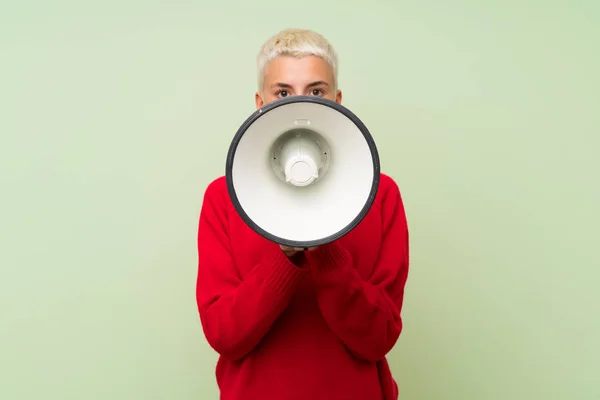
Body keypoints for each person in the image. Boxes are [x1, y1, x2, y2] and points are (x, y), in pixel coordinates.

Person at [196, 28, 410, 400]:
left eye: (316, 91)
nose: (299, 104)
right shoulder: (223, 198)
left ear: (338, 100)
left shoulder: (381, 195)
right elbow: (225, 336)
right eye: (282, 93)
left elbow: (378, 339)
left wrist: (324, 250)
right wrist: (285, 257)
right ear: (260, 103)